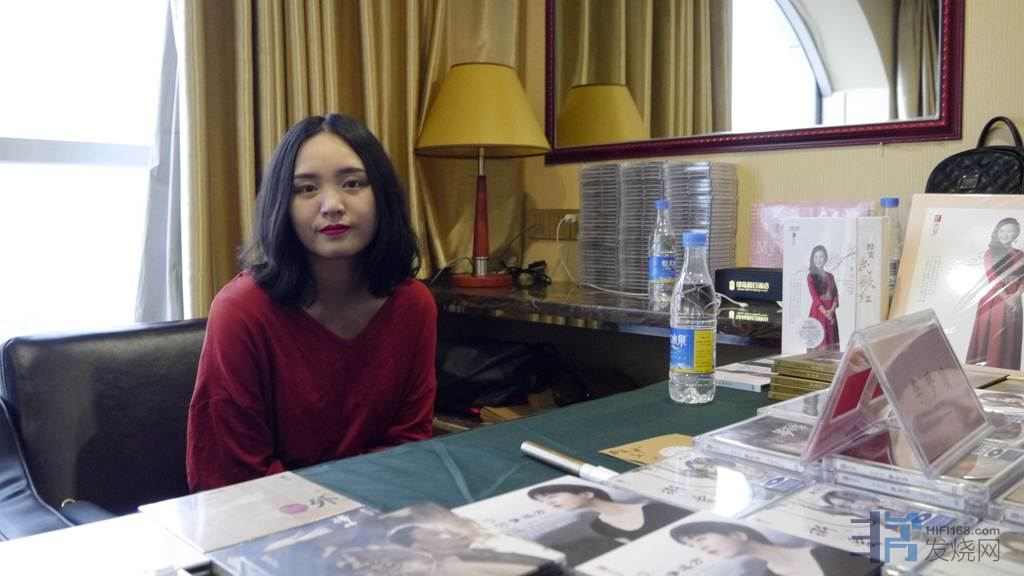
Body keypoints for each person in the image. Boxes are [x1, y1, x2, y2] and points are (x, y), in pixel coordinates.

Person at [186, 114, 436, 491]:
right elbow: (231, 475)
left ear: (382, 195)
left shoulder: (413, 305)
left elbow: (409, 446)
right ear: (282, 205)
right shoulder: (241, 311)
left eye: (353, 183)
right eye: (306, 189)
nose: (332, 205)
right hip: (263, 515)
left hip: (383, 508)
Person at [670, 520, 875, 576]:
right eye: (692, 546)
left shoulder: (831, 549)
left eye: (701, 538)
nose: (701, 548)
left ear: (738, 534)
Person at [526, 483, 688, 543]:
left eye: (552, 496)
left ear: (587, 493)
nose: (549, 503)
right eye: (543, 501)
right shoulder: (598, 526)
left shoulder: (658, 508)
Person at [967, 217, 1024, 370]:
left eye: (1010, 231)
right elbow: (992, 278)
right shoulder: (990, 253)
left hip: (1015, 298)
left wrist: (1017, 296)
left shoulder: (1021, 254)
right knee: (993, 338)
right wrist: (1007, 298)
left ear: (1017, 233)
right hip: (995, 299)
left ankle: (1006, 374)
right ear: (997, 232)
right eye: (1002, 231)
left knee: (1010, 337)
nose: (1006, 234)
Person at [806, 245, 839, 352]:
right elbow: (815, 297)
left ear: (825, 258)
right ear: (812, 259)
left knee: (831, 342)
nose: (818, 260)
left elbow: (836, 295)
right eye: (815, 257)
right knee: (819, 341)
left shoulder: (831, 276)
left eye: (821, 256)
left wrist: (831, 311)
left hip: (830, 311)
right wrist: (826, 313)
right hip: (818, 312)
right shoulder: (810, 276)